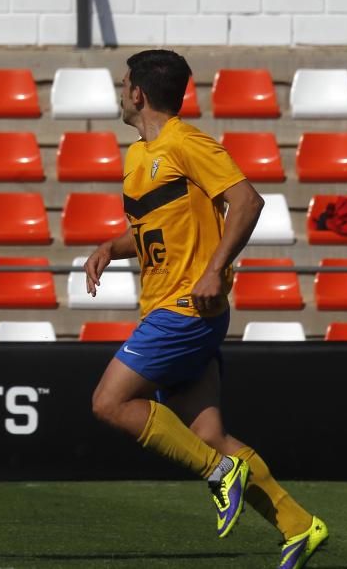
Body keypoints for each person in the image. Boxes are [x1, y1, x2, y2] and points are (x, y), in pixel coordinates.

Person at [85, 50, 326, 569]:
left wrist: (215, 268)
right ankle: (299, 526)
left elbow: (247, 201)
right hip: (170, 307)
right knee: (210, 435)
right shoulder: (139, 156)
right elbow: (153, 227)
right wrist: (111, 246)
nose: (120, 90)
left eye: (124, 82)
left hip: (186, 307)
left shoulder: (185, 142)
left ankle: (220, 474)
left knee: (108, 402)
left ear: (138, 94)